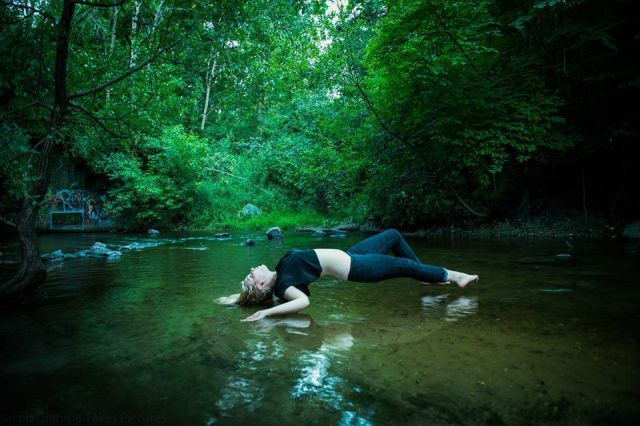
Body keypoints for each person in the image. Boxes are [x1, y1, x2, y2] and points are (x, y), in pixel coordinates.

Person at [218, 229, 478, 322]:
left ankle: (427, 276)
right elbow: (303, 303)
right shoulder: (284, 285)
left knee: (393, 236)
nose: (252, 270)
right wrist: (266, 313)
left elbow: (253, 295)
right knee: (405, 266)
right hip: (358, 268)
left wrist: (236, 298)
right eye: (252, 276)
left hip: (351, 255)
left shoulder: (280, 271)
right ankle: (457, 276)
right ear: (262, 285)